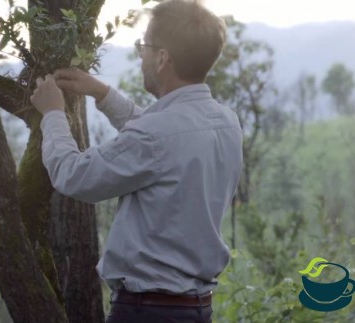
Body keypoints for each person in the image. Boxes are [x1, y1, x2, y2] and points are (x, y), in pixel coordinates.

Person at [30, 0, 241, 322]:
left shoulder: (157, 135)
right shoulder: (226, 122)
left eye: (144, 45)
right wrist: (102, 93)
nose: (140, 53)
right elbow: (163, 142)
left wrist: (53, 114)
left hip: (148, 312)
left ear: (162, 58)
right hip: (196, 310)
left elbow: (74, 176)